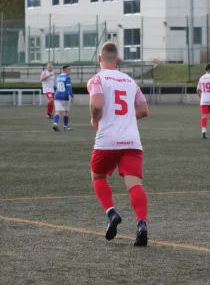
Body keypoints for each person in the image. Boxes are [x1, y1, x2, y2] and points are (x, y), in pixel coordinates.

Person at [87, 42, 149, 247]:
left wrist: (95, 119)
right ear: (118, 60)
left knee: (97, 176)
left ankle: (111, 213)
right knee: (135, 185)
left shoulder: (97, 79)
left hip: (107, 139)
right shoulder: (131, 81)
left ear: (99, 59)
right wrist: (127, 119)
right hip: (131, 140)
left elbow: (97, 104)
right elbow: (143, 110)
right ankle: (142, 224)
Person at [53, 65, 74, 132]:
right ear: (65, 70)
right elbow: (68, 88)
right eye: (69, 69)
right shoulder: (67, 77)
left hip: (57, 95)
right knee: (66, 111)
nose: (70, 71)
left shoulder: (58, 77)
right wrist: (72, 96)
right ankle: (65, 126)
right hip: (65, 96)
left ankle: (55, 124)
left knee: (57, 111)